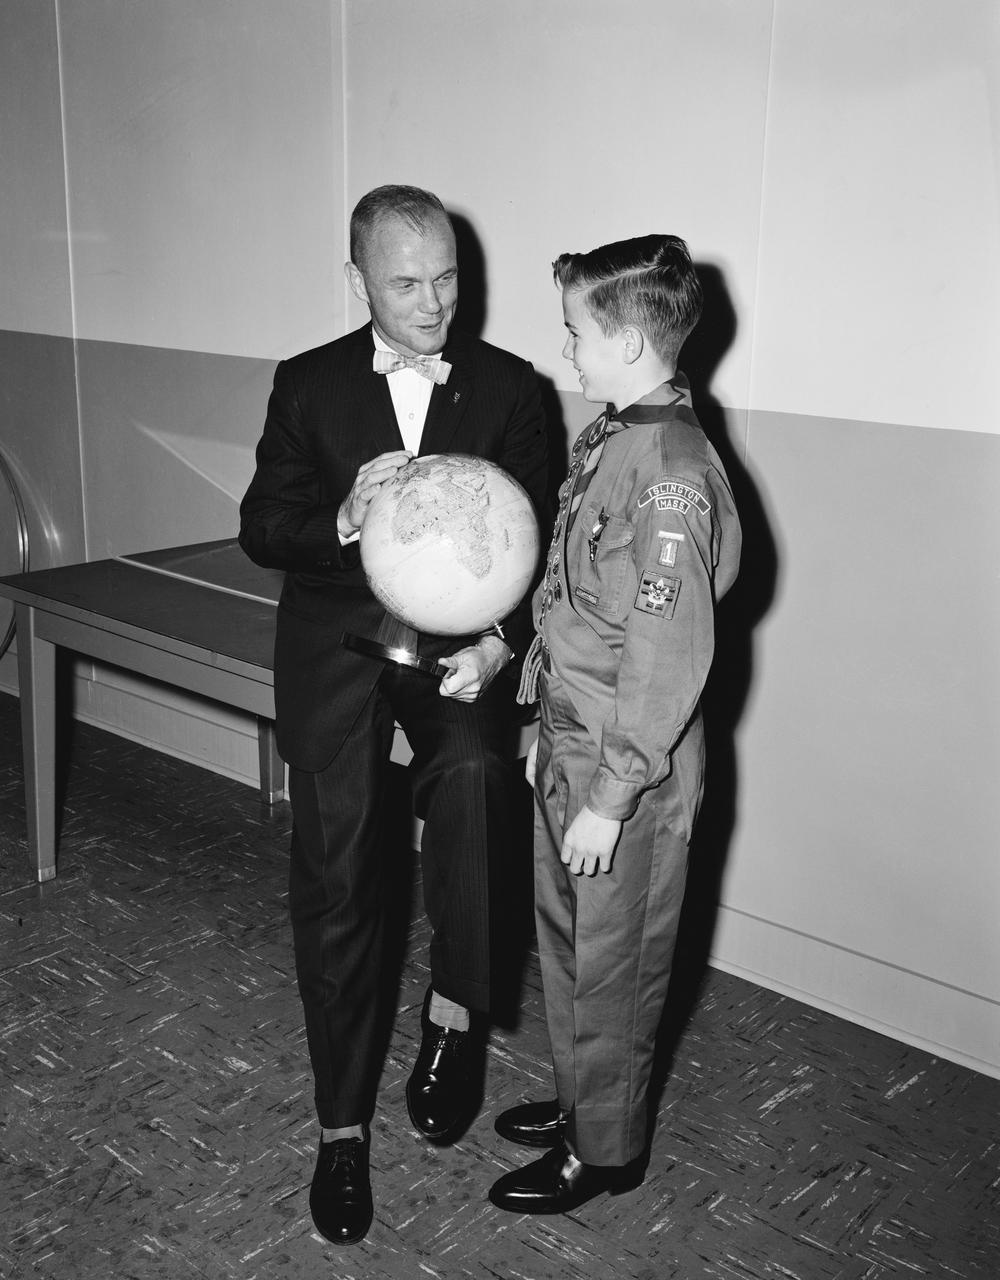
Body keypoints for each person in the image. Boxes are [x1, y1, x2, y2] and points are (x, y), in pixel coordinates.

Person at [239, 185, 547, 1245]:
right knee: (339, 881)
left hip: (458, 648)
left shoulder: (511, 387)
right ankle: (340, 1128)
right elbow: (263, 525)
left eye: (448, 277)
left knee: (477, 779)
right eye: (406, 282)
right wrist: (339, 516)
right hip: (337, 641)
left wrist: (503, 645)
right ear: (356, 280)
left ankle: (457, 1006)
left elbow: (543, 550)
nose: (433, 303)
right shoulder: (308, 383)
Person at [488, 235, 741, 1215]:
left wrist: (611, 791)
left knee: (616, 962)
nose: (566, 350)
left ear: (629, 341)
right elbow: (574, 600)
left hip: (626, 767)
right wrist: (545, 729)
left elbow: (664, 654)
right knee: (568, 940)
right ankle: (580, 1099)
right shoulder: (615, 432)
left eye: (576, 332)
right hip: (575, 737)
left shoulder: (671, 471)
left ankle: (607, 1148)